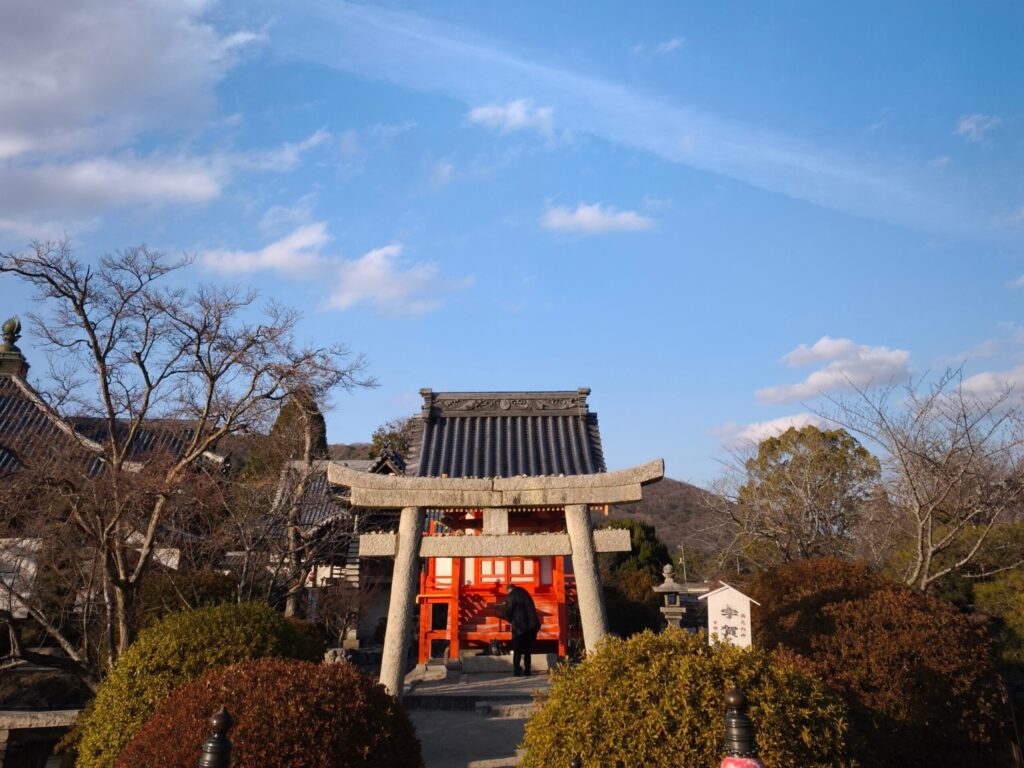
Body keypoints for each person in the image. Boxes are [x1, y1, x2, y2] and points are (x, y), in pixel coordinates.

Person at [503, 582, 541, 676]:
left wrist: (509, 619)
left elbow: (508, 611)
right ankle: (528, 670)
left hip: (519, 627)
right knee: (527, 650)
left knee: (517, 650)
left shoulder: (511, 596)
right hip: (531, 626)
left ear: (509, 590)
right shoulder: (525, 593)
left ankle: (517, 671)